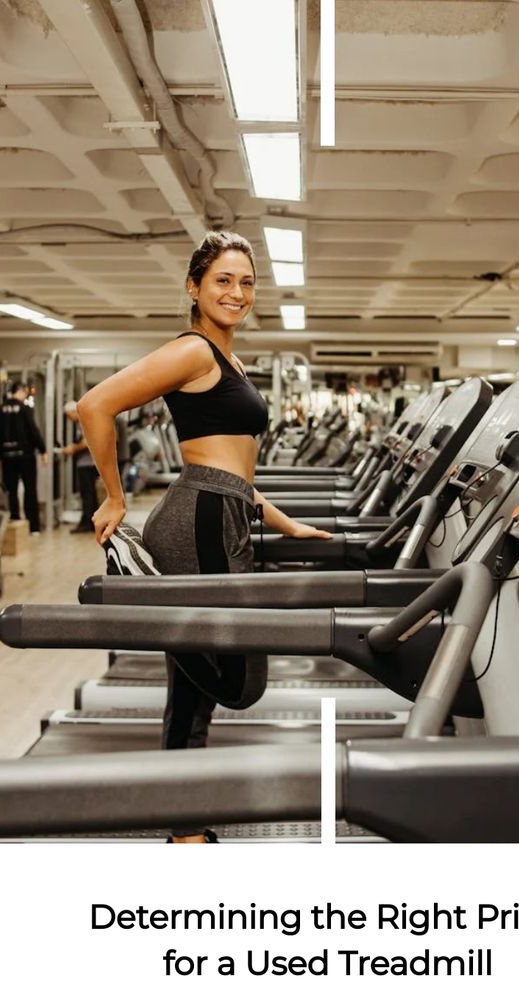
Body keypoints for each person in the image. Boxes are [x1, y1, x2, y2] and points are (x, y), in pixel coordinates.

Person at [77, 230, 331, 843]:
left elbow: (233, 465)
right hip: (200, 518)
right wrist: (113, 496)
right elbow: (93, 405)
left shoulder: (229, 358)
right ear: (194, 287)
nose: (237, 292)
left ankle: (184, 824)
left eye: (246, 282)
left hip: (222, 508)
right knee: (229, 678)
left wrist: (282, 520)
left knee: (198, 686)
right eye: (223, 279)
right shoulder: (193, 351)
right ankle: (182, 823)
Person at [0, 381, 48, 535]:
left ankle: (15, 521)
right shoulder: (24, 409)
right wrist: (43, 450)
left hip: (7, 457)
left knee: (11, 491)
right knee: (30, 490)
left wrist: (0, 455)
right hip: (25, 456)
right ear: (21, 391)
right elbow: (33, 430)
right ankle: (33, 527)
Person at [62, 401, 99, 533]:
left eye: (68, 415)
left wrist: (72, 448)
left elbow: (86, 442)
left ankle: (87, 522)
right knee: (90, 494)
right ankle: (92, 520)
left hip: (87, 463)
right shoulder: (84, 420)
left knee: (87, 494)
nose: (69, 419)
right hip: (90, 462)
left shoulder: (83, 421)